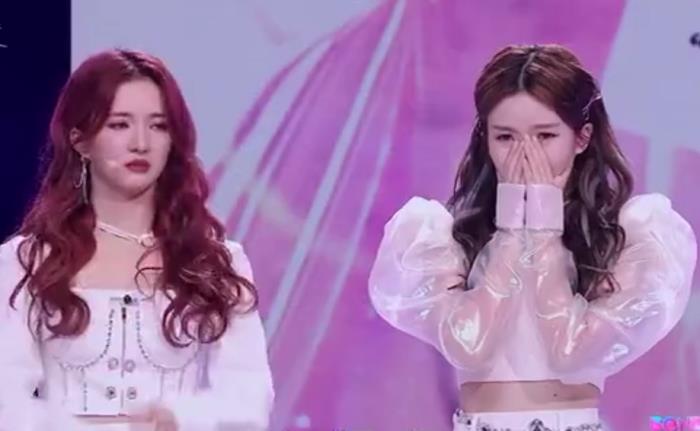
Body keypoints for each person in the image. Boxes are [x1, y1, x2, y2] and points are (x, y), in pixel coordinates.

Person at [368, 44, 696, 430]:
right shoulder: (445, 235)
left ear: (581, 138)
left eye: (544, 136)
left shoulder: (627, 234)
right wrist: (511, 229)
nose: (525, 155)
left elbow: (571, 353)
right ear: (486, 139)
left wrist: (543, 224)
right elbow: (469, 345)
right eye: (506, 137)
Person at [0, 49, 274, 430]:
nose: (141, 143)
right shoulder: (26, 262)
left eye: (158, 126)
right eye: (119, 125)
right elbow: (7, 399)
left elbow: (251, 397)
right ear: (80, 140)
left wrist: (180, 418)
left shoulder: (214, 262)